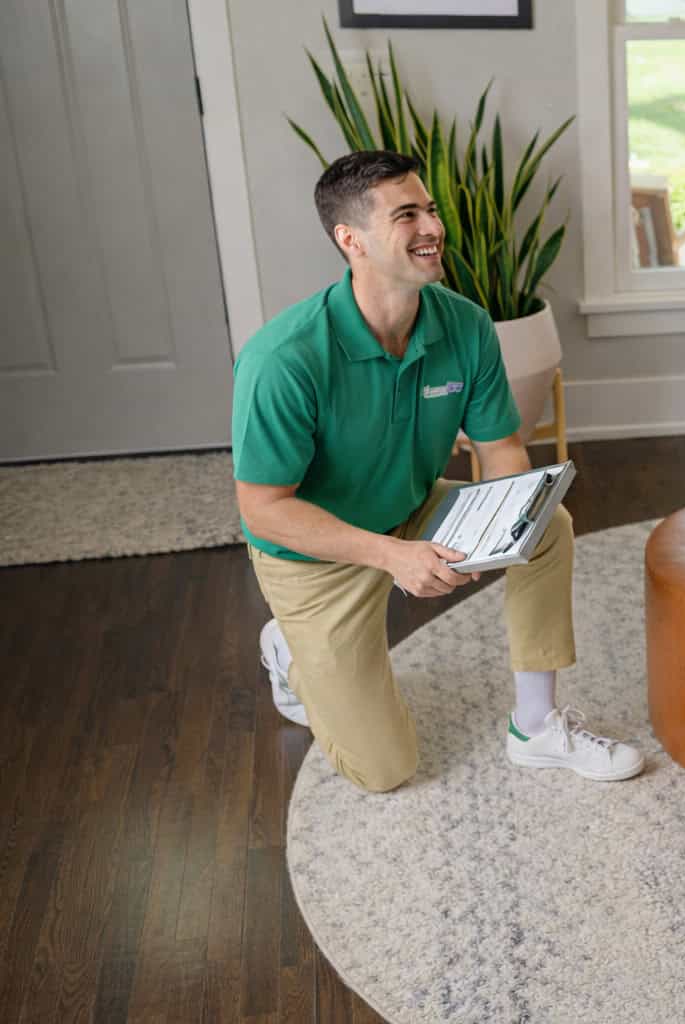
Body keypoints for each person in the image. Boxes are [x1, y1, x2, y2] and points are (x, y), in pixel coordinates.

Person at [233, 150, 642, 792]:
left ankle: (535, 727)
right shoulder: (283, 359)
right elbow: (264, 509)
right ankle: (289, 647)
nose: (432, 226)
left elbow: (501, 446)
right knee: (385, 770)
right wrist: (392, 557)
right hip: (316, 557)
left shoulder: (465, 324)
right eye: (406, 215)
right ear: (352, 239)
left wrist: (505, 524)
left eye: (429, 208)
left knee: (547, 524)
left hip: (413, 508)